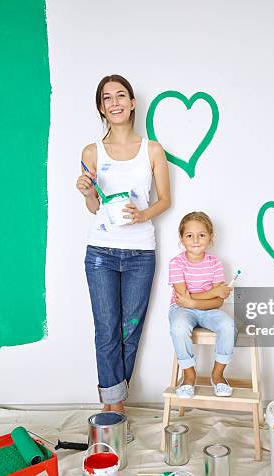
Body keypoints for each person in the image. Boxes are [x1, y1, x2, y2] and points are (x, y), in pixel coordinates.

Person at [76, 74, 171, 414]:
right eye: (106, 98)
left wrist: (143, 214)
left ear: (132, 103)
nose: (114, 102)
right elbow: (93, 206)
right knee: (106, 330)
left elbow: (165, 201)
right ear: (101, 108)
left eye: (120, 96)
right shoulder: (91, 151)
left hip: (140, 255)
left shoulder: (152, 150)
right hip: (100, 252)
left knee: (129, 331)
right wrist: (88, 190)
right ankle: (113, 408)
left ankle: (114, 404)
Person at [167, 211, 237, 399]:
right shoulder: (176, 263)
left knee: (228, 325)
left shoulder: (215, 263)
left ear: (210, 238)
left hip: (209, 310)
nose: (196, 240)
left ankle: (218, 375)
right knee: (179, 327)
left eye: (202, 235)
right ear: (181, 238)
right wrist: (214, 291)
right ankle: (189, 375)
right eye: (189, 235)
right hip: (182, 310)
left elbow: (219, 302)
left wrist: (196, 301)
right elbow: (182, 298)